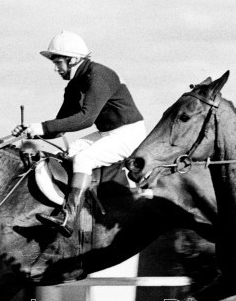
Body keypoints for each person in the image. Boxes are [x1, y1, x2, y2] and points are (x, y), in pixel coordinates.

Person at [12, 30, 146, 237]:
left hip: (129, 134)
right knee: (71, 152)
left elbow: (86, 119)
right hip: (108, 133)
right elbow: (59, 126)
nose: (56, 69)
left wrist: (42, 127)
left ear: (73, 59)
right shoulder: (74, 86)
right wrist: (31, 132)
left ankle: (69, 216)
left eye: (58, 63)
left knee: (83, 159)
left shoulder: (99, 76)